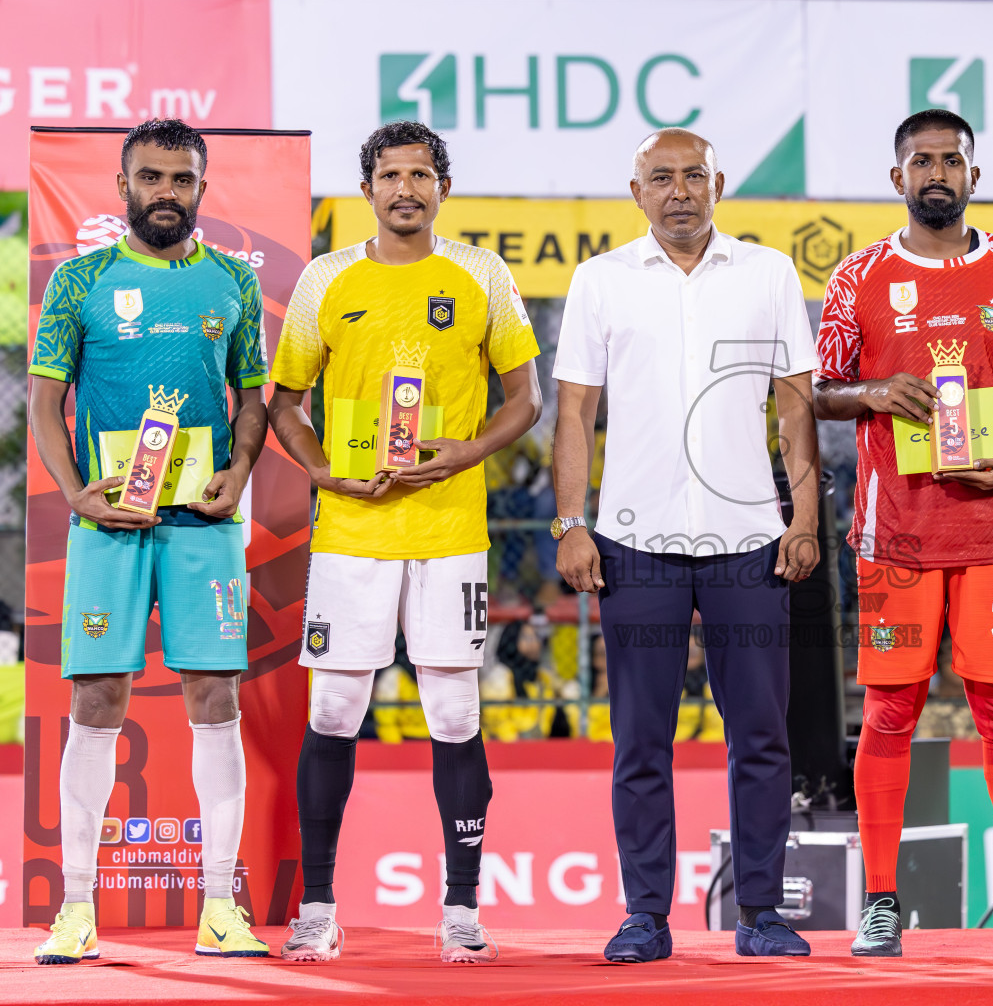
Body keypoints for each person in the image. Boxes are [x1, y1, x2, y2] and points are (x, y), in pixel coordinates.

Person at [268, 121, 542, 962]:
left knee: (455, 711)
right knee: (333, 711)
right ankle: (317, 904)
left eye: (421, 175)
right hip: (351, 529)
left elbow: (525, 399)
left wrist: (466, 451)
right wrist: (322, 473)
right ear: (368, 191)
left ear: (442, 188)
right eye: (390, 175)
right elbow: (284, 402)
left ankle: (462, 908)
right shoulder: (326, 279)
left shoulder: (481, 274)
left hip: (451, 526)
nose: (405, 190)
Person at [813, 109, 993, 960]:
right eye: (921, 160)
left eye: (952, 160)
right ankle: (882, 902)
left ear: (974, 174)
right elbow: (818, 388)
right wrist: (875, 392)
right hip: (894, 535)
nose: (937, 171)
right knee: (890, 711)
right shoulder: (857, 278)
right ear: (897, 178)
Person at [552, 128, 821, 963]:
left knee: (762, 736)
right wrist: (571, 523)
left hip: (750, 543)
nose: (679, 191)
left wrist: (802, 518)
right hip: (635, 544)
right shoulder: (600, 282)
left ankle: (763, 913)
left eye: (693, 176)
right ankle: (645, 915)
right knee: (640, 740)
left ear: (719, 184)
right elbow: (573, 414)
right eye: (660, 177)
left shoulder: (769, 273)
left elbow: (795, 408)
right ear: (635, 191)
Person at [28, 120, 271, 962]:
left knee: (216, 698)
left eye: (181, 177)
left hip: (204, 523)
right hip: (108, 524)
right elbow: (44, 402)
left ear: (202, 187)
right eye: (150, 176)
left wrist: (239, 470)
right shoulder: (81, 279)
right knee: (96, 701)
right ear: (122, 184)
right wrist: (73, 491)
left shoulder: (234, 283)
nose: (165, 190)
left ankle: (219, 907)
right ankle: (76, 908)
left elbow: (252, 398)